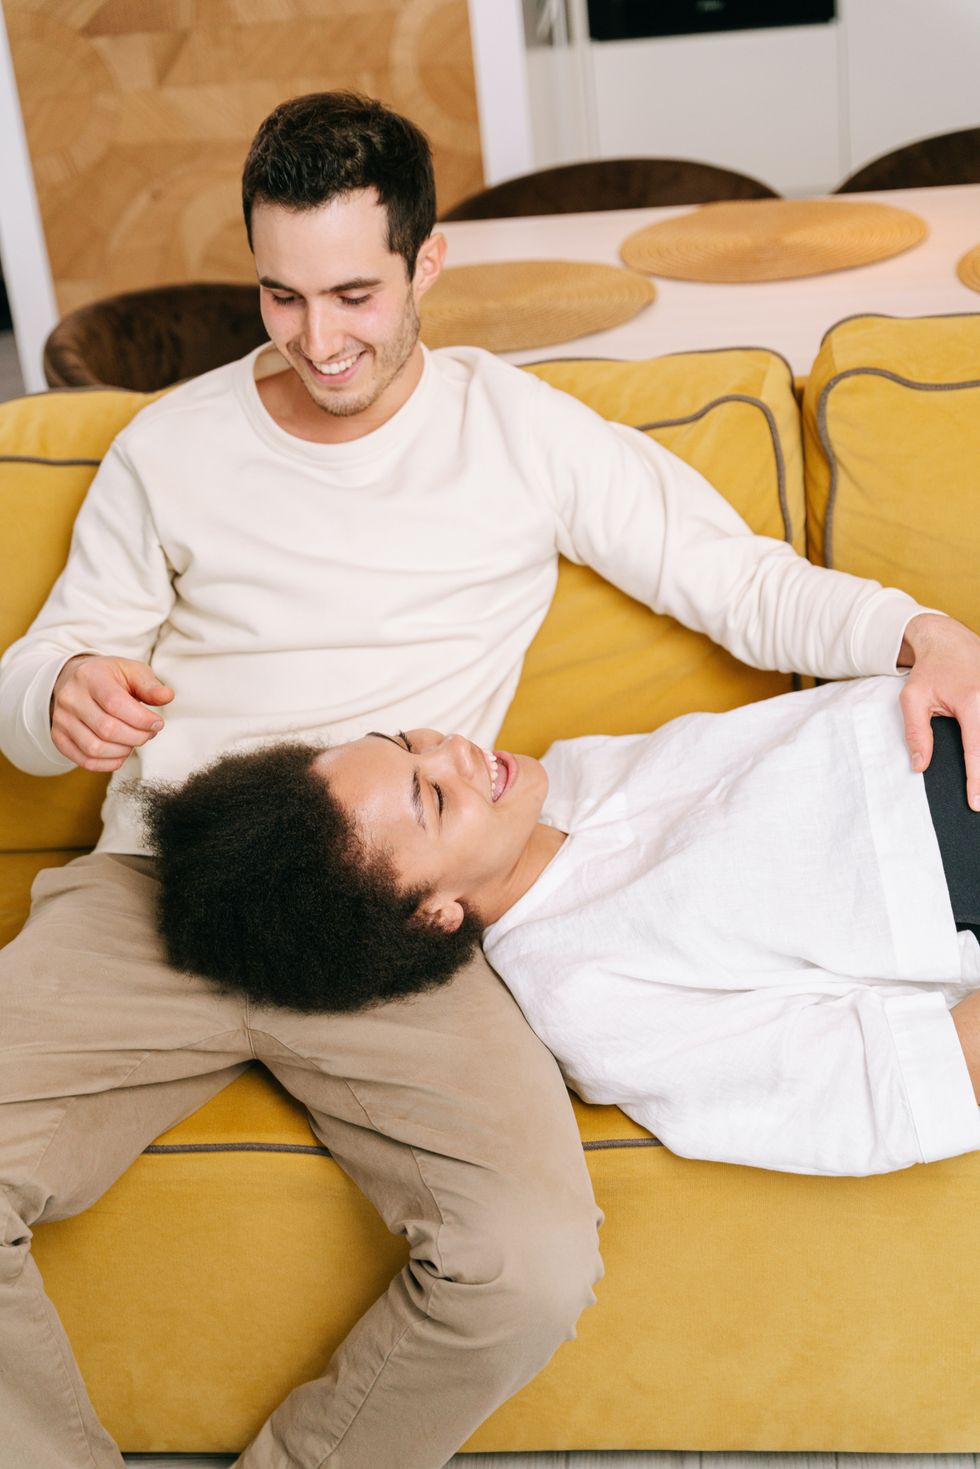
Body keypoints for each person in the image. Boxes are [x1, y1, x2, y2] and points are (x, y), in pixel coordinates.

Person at [2, 86, 980, 1468]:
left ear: (426, 264)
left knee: (526, 1260)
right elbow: (38, 679)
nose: (320, 341)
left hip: (395, 906)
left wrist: (919, 631)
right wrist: (58, 695)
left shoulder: (518, 430)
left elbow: (729, 577)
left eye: (355, 293)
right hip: (158, 885)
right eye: (282, 297)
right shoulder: (171, 446)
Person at [144, 677, 980, 1180]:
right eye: (431, 800)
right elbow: (900, 1084)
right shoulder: (588, 996)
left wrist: (938, 649)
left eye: (411, 743)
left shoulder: (570, 774)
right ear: (434, 913)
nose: (457, 755)